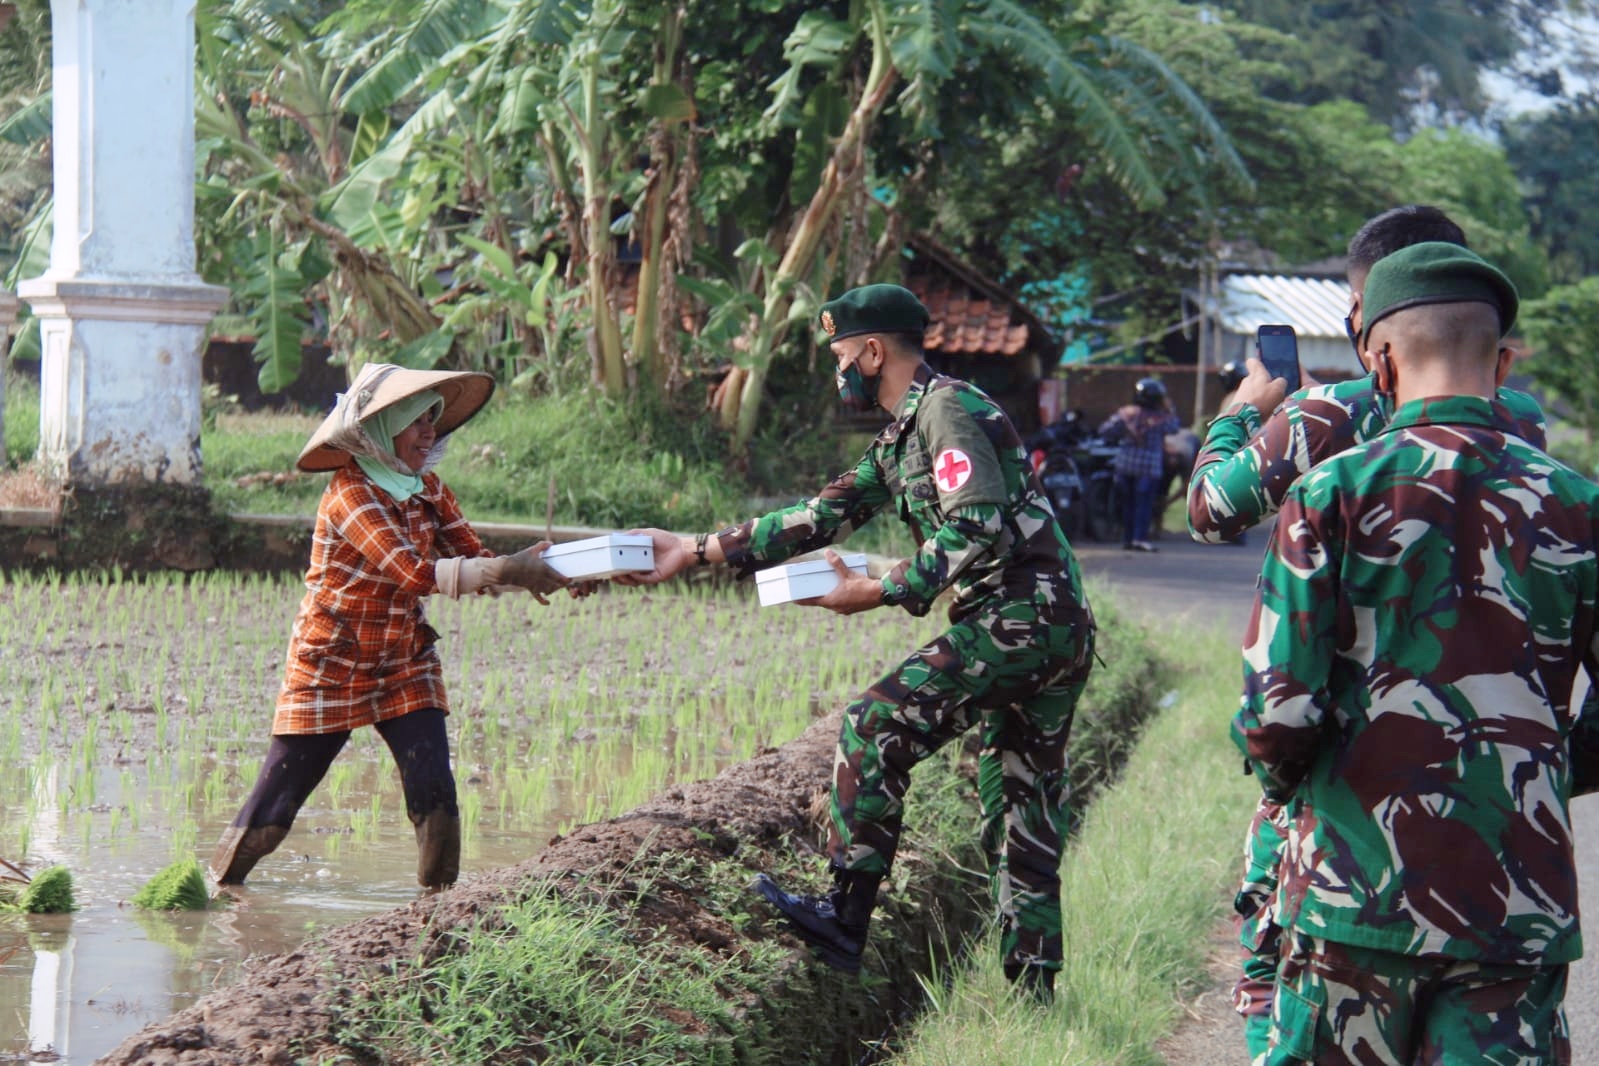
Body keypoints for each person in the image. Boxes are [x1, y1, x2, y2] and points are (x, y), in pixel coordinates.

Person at [620, 284, 1095, 998]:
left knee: (874, 726)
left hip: (1022, 618)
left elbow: (973, 524)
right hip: (1043, 625)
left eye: (841, 355)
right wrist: (694, 550)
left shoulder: (946, 410)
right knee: (1017, 805)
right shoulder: (903, 433)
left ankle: (843, 919)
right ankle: (1034, 992)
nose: (839, 370)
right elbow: (821, 516)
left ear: (872, 351)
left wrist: (876, 590)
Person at [1185, 206, 1551, 1062]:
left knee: (1294, 1011)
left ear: (1368, 330)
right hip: (1507, 851)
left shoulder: (1324, 422)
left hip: (1346, 843)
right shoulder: (1529, 431)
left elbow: (1209, 513)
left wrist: (1241, 413)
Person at [208, 363, 573, 891]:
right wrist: (508, 569)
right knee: (275, 806)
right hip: (332, 657)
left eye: (433, 419)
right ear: (379, 429)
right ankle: (220, 889)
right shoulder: (350, 494)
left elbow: (475, 559)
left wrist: (554, 573)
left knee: (435, 792)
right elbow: (413, 572)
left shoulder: (427, 490)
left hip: (404, 657)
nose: (429, 431)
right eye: (415, 421)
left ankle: (437, 912)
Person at [1097, 377, 1180, 551]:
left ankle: (1128, 538)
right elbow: (1175, 427)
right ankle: (1140, 538)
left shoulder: (1126, 414)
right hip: (1149, 469)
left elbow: (1105, 430)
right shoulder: (1162, 418)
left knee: (1128, 503)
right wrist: (1168, 408)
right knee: (1144, 503)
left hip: (1125, 466)